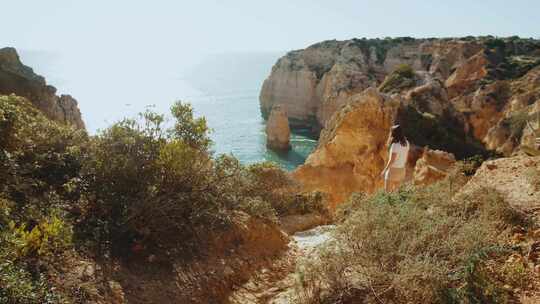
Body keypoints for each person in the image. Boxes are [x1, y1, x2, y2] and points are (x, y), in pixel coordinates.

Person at [381, 124, 410, 192]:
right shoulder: (407, 143)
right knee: (396, 193)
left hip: (393, 170)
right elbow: (406, 157)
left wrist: (384, 170)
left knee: (387, 193)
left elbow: (392, 160)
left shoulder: (395, 145)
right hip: (402, 170)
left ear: (394, 134)